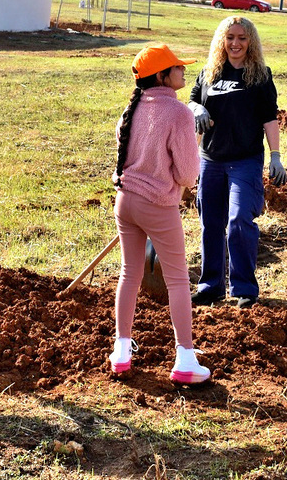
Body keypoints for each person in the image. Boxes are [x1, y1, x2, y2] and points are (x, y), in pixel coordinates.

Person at [109, 43, 210, 384]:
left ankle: (121, 353)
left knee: (129, 275)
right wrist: (194, 143)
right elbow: (186, 175)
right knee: (178, 280)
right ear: (162, 76)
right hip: (158, 206)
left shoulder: (131, 108)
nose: (184, 71)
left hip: (125, 202)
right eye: (178, 68)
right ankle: (185, 359)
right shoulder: (179, 113)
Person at [189, 16, 286, 308]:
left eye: (242, 38)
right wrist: (194, 109)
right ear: (222, 40)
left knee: (239, 219)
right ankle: (211, 286)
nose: (236, 43)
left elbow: (270, 117)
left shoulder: (260, 76)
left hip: (245, 160)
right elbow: (192, 100)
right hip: (211, 160)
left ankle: (244, 288)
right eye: (230, 37)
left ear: (251, 41)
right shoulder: (208, 73)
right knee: (210, 223)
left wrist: (276, 156)